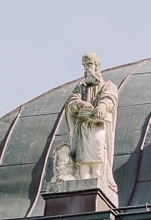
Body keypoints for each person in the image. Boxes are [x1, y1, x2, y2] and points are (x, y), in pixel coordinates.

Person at [47, 52, 120, 201]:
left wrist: (102, 106)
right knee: (83, 158)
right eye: (84, 66)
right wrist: (80, 104)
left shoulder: (108, 85)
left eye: (89, 65)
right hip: (83, 129)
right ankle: (84, 178)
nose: (86, 69)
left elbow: (110, 97)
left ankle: (98, 177)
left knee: (98, 151)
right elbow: (71, 102)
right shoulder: (81, 88)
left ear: (98, 66)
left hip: (97, 128)